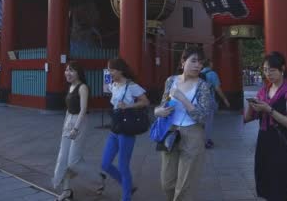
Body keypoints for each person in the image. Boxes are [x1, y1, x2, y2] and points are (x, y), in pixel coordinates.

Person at [244, 51, 287, 201]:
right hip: (264, 141)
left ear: (282, 69)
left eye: (272, 70)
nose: (268, 74)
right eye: (265, 70)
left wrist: (269, 109)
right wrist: (252, 106)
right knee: (266, 183)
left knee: (281, 187)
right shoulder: (263, 91)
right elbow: (247, 118)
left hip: (281, 143)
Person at [154, 46, 211, 201]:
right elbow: (163, 104)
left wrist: (183, 99)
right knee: (167, 183)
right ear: (183, 61)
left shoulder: (203, 86)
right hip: (171, 132)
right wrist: (157, 111)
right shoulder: (171, 80)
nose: (197, 65)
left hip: (193, 134)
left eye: (201, 62)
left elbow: (203, 117)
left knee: (184, 186)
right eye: (193, 61)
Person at [99, 58, 149, 201]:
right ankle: (128, 186)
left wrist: (128, 106)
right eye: (108, 70)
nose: (109, 72)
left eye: (112, 70)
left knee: (123, 166)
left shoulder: (131, 86)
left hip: (126, 130)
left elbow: (145, 101)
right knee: (105, 164)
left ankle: (126, 197)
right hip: (114, 128)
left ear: (120, 70)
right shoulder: (113, 84)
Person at [53, 61, 90, 201]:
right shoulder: (70, 87)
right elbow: (69, 110)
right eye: (67, 70)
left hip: (79, 123)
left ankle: (98, 178)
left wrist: (75, 128)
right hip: (68, 123)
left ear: (78, 73)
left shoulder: (82, 87)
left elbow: (83, 110)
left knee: (72, 161)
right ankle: (67, 190)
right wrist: (66, 125)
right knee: (62, 159)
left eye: (71, 70)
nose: (67, 73)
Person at [200, 59, 230, 149]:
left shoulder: (199, 73)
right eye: (212, 63)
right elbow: (217, 88)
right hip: (209, 99)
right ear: (209, 64)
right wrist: (225, 99)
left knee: (201, 121)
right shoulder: (212, 74)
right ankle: (207, 141)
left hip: (199, 100)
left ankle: (199, 139)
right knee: (208, 121)